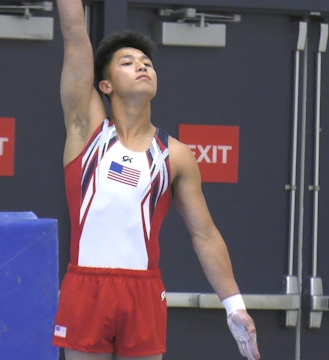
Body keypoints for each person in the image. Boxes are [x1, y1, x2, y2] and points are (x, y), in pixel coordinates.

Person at [52, 1, 260, 359]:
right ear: (104, 84)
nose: (142, 67)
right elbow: (74, 33)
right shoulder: (86, 133)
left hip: (143, 292)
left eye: (146, 63)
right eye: (127, 63)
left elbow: (204, 234)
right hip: (86, 286)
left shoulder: (175, 155)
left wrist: (234, 305)